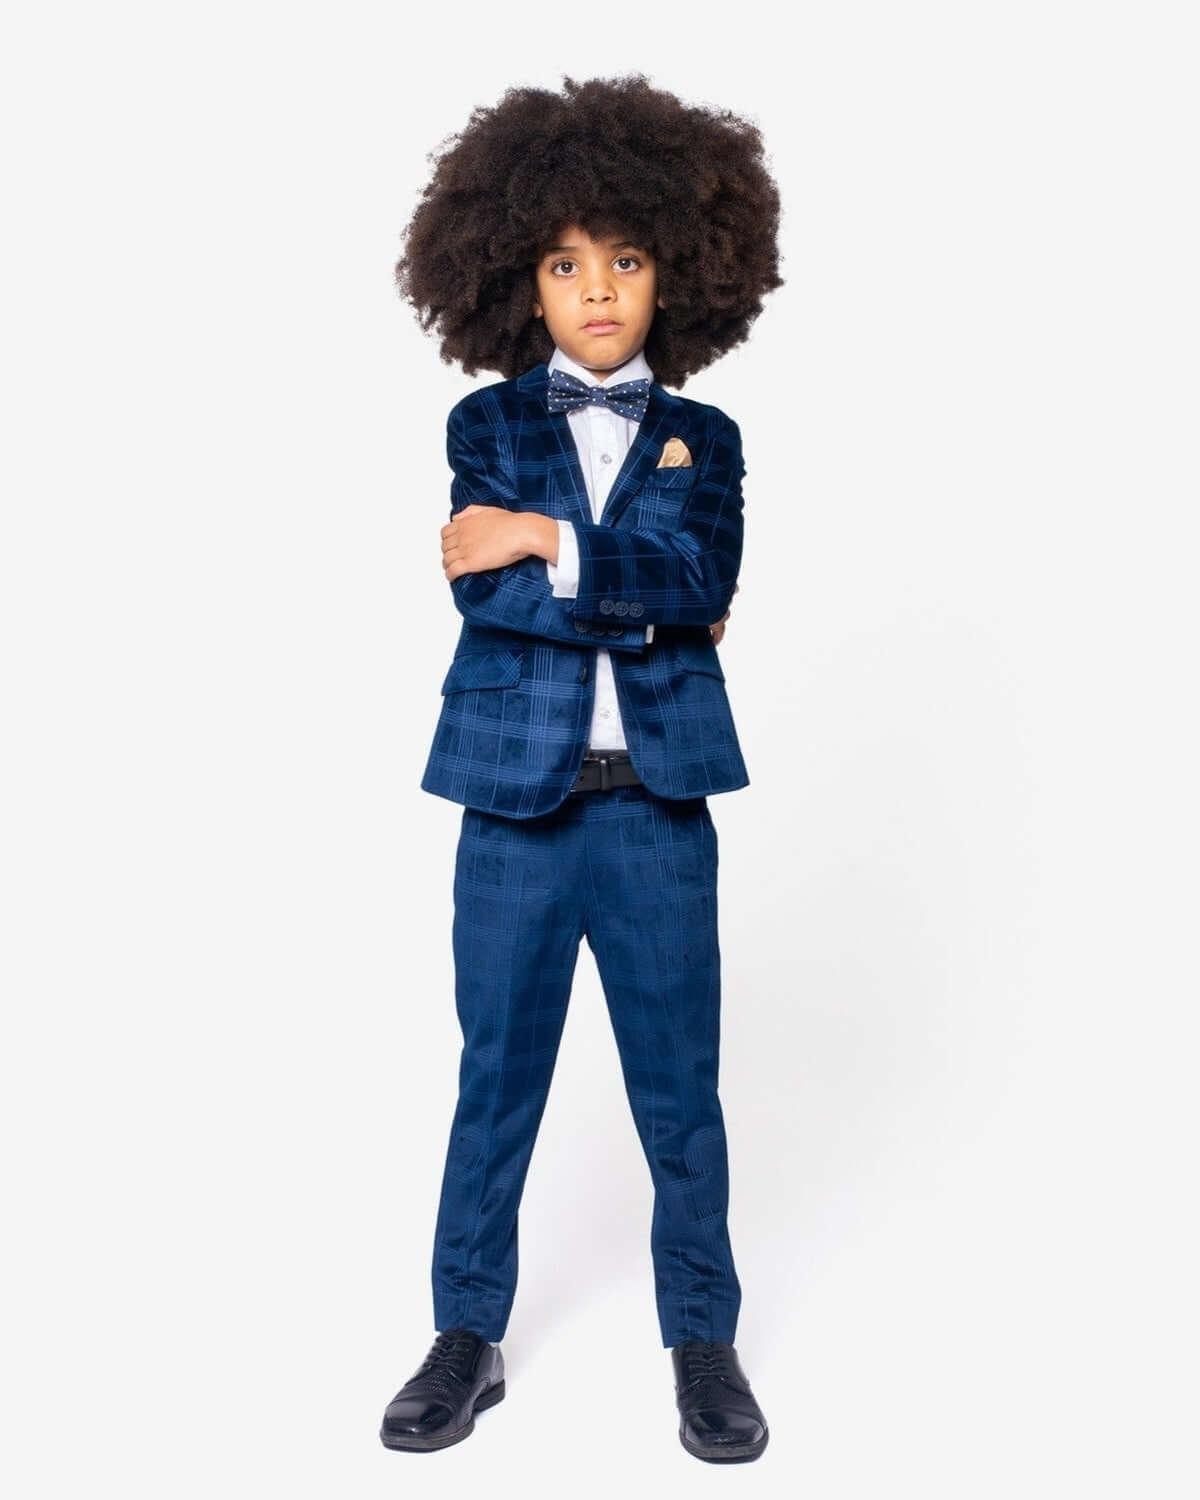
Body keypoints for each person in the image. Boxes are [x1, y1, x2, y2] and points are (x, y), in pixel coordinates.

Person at [381, 72, 783, 1463]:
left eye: (624, 258)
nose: (598, 288)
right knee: (496, 1079)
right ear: (520, 283)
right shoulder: (485, 429)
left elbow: (699, 571)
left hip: (658, 809)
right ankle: (466, 1334)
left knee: (680, 1087)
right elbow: (488, 595)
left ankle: (703, 1341)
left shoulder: (706, 442)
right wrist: (642, 588)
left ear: (678, 272)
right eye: (564, 264)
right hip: (513, 810)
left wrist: (550, 542)